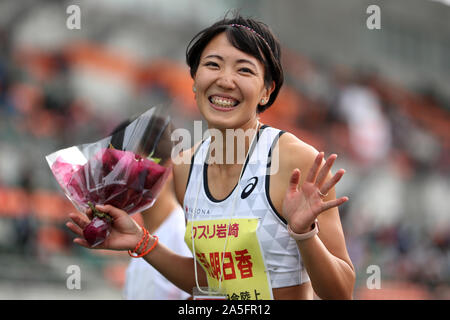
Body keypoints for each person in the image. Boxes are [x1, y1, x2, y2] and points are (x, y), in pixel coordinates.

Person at [67, 14, 355, 300]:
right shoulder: (184, 169)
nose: (225, 80)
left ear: (267, 91)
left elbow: (341, 292)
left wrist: (304, 234)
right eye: (213, 65)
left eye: (244, 70)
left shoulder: (297, 162)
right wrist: (142, 243)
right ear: (194, 81)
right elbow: (212, 280)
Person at [108, 119, 192, 300]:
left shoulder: (184, 237)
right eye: (114, 165)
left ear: (167, 169)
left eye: (132, 164)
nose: (119, 177)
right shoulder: (139, 238)